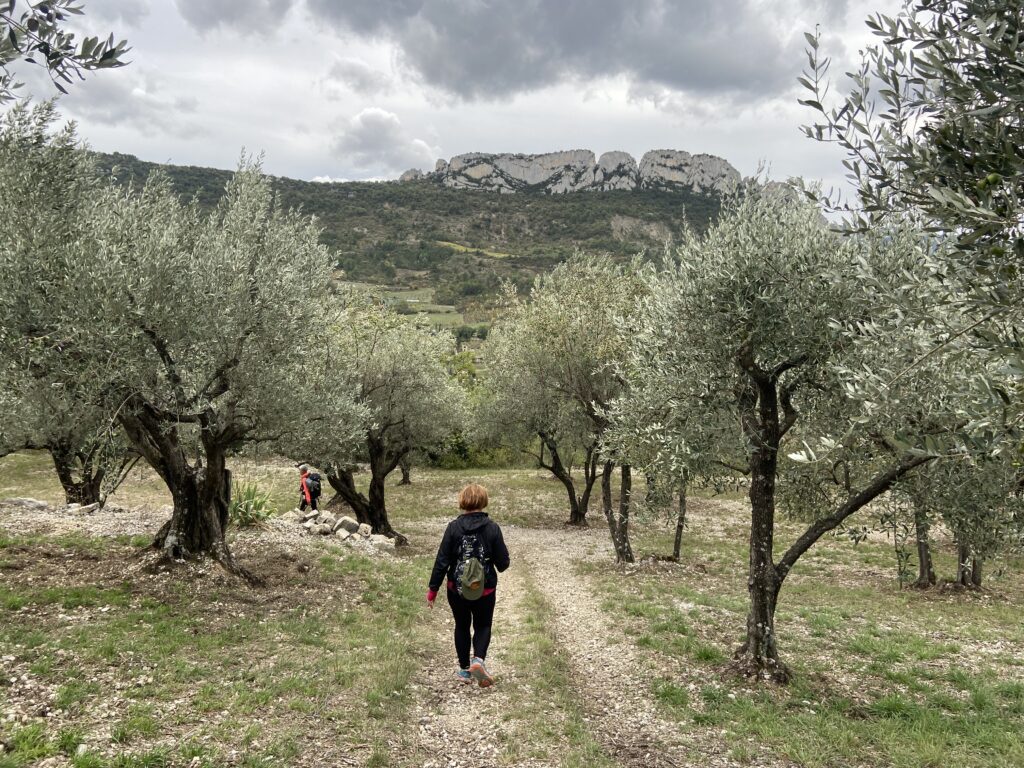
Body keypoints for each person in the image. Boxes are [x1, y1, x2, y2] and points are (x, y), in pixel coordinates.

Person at [427, 483, 510, 687]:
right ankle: (478, 660)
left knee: (462, 625)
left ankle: (464, 670)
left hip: (457, 589)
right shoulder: (492, 528)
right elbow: (503, 564)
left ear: (462, 502)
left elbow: (442, 561)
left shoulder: (453, 528)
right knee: (483, 624)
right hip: (485, 589)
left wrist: (433, 590)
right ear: (483, 502)